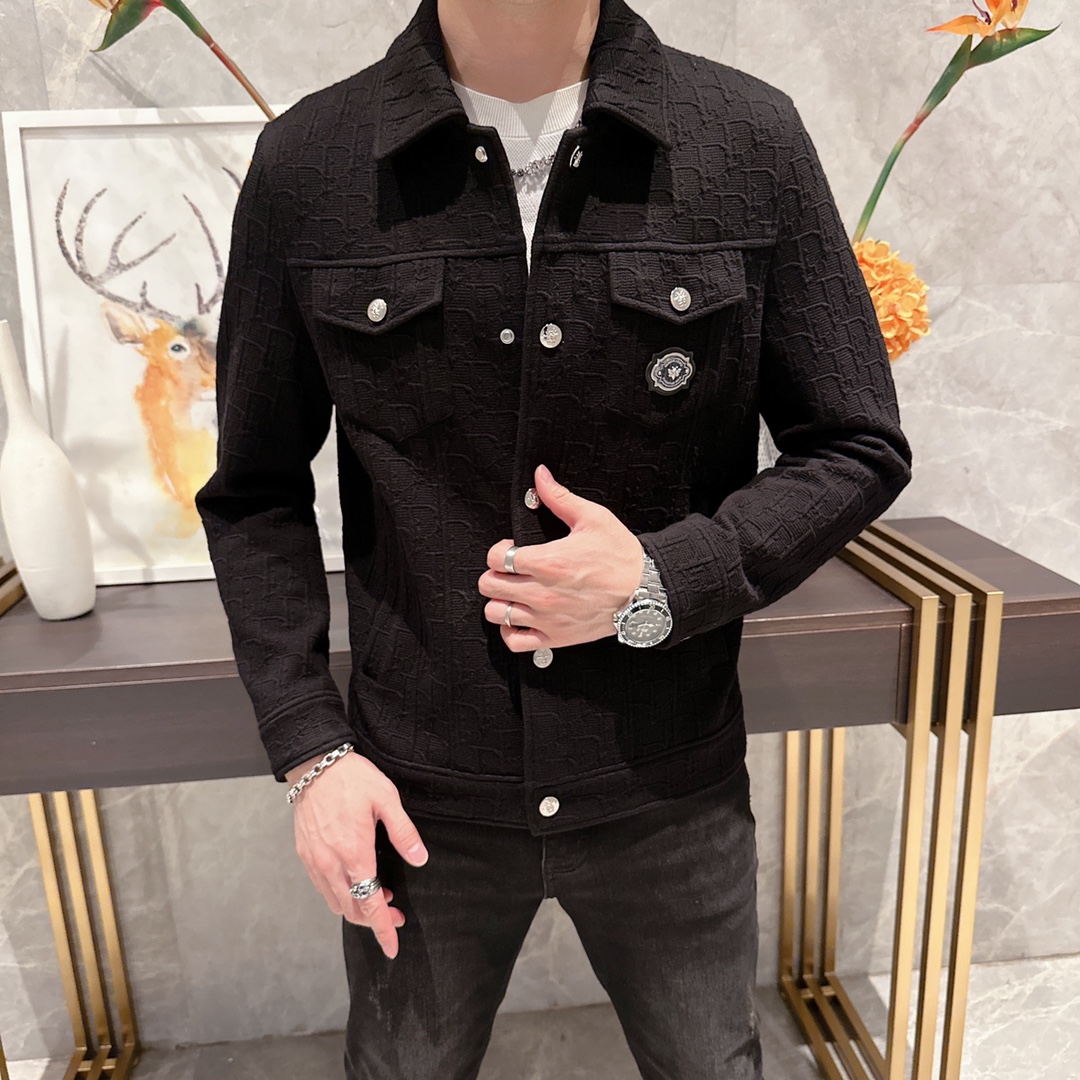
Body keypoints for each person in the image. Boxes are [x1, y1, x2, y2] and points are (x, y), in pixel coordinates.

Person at [194, 0, 913, 1075]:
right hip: (416, 802)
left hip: (668, 789)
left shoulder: (746, 139)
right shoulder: (310, 163)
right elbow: (254, 491)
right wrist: (312, 754)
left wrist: (664, 576)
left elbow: (857, 442)